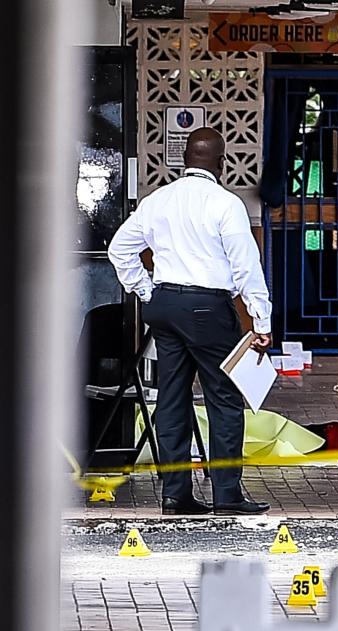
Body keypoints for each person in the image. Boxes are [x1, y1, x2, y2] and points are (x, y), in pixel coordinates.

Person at [108, 128, 272, 516]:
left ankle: (175, 495)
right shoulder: (225, 203)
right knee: (223, 398)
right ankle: (227, 495)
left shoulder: (157, 200)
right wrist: (261, 321)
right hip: (208, 309)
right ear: (221, 162)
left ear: (185, 160)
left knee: (171, 398)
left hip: (165, 306)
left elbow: (120, 250)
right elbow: (246, 266)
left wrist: (148, 292)